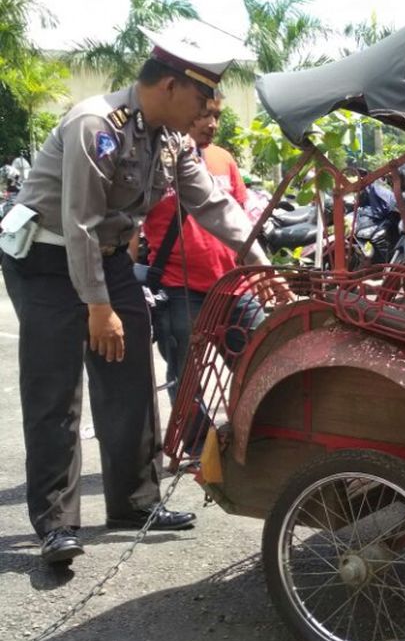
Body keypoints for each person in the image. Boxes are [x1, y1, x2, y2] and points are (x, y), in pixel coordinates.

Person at [0, 30, 280, 564]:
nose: (206, 113)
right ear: (171, 86)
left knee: (128, 378)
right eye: (201, 100)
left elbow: (214, 205)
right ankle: (56, 525)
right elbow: (78, 223)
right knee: (55, 389)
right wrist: (98, 309)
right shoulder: (96, 125)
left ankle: (134, 502)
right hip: (45, 258)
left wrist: (261, 264)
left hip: (104, 257)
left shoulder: (169, 139)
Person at [142, 91, 263, 406]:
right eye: (204, 114)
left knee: (263, 365)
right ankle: (196, 450)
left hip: (236, 287)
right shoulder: (156, 160)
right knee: (186, 381)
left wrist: (261, 271)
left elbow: (238, 217)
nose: (211, 123)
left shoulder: (224, 160)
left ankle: (256, 440)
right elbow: (131, 227)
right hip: (181, 291)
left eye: (217, 116)